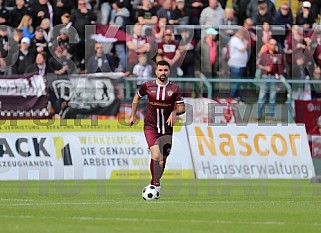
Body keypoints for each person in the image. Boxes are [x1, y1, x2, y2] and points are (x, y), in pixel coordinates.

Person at [129, 60, 185, 198]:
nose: (163, 73)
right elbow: (137, 97)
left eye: (165, 70)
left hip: (167, 129)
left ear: (169, 72)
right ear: (156, 71)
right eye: (160, 70)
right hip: (151, 126)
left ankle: (156, 183)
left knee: (163, 160)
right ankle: (154, 185)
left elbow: (182, 108)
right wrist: (133, 114)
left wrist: (173, 112)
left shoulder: (175, 89)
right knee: (156, 155)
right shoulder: (147, 86)